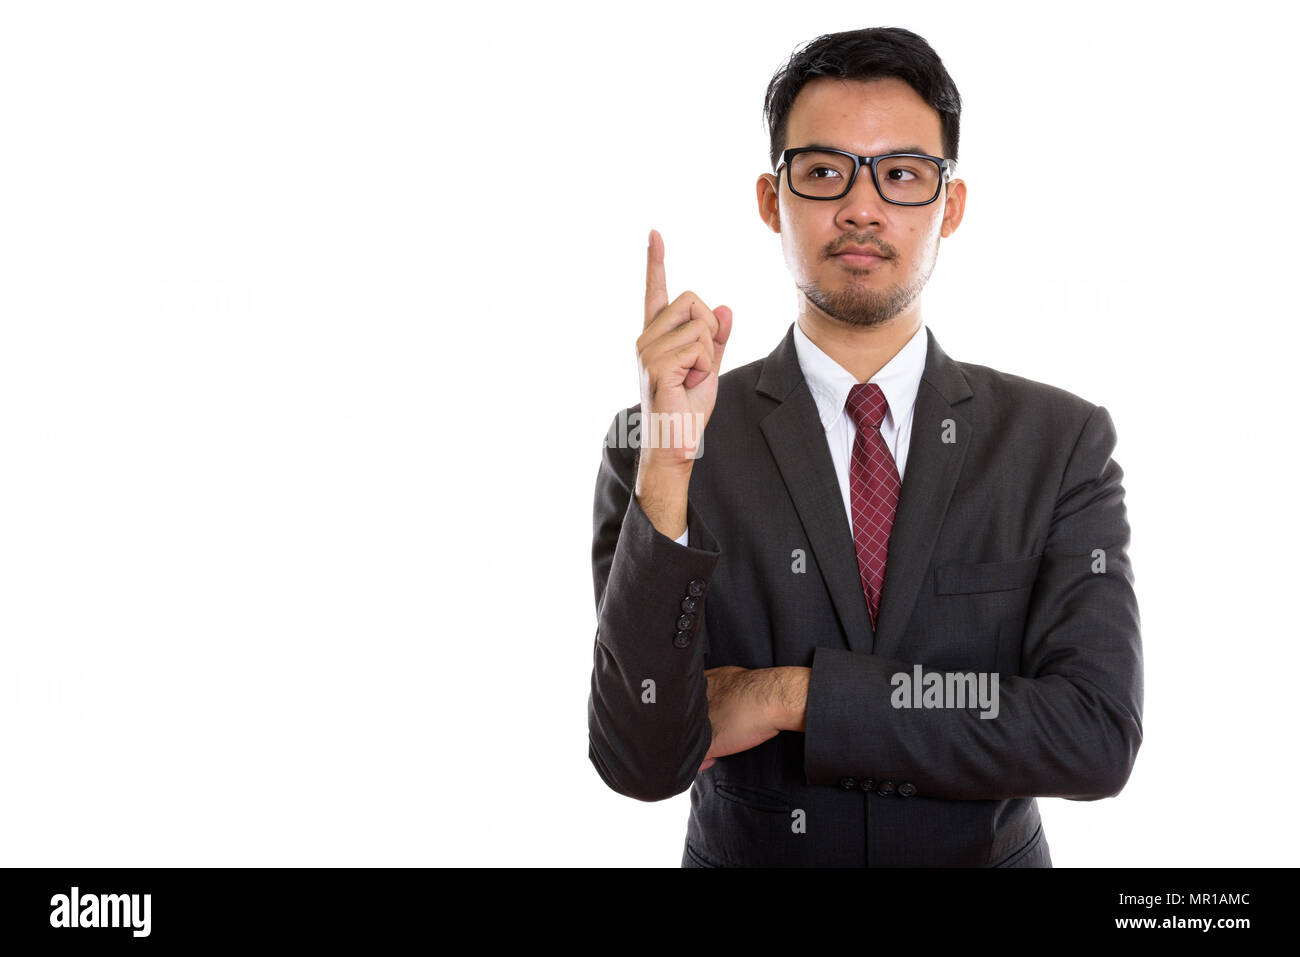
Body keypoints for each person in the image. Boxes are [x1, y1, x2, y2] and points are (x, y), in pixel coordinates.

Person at [587, 26, 1142, 867]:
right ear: (772, 200)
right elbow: (639, 758)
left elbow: (1095, 735)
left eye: (902, 174)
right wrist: (669, 462)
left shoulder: (1059, 443)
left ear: (948, 206)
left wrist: (795, 694)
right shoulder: (659, 440)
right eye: (822, 171)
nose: (861, 205)